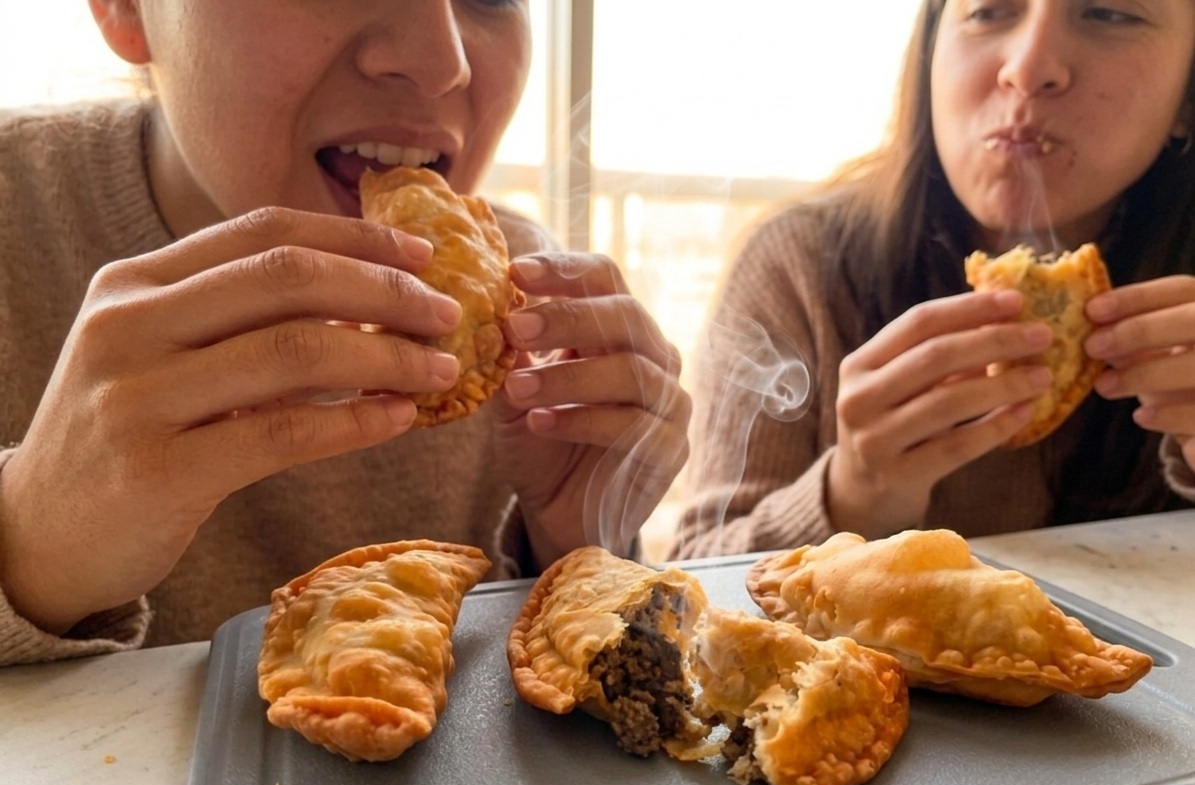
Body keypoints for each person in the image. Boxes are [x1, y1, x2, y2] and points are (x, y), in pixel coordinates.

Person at [0, 0, 690, 664]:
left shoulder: (526, 305)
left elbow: (511, 709)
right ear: (125, 7)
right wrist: (27, 550)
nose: (440, 61)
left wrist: (575, 549)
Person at [672, 0, 1195, 560]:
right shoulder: (803, 263)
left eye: (1110, 14)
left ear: (1188, 98)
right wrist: (851, 496)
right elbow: (693, 578)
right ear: (928, 55)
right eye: (989, 10)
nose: (1027, 68)